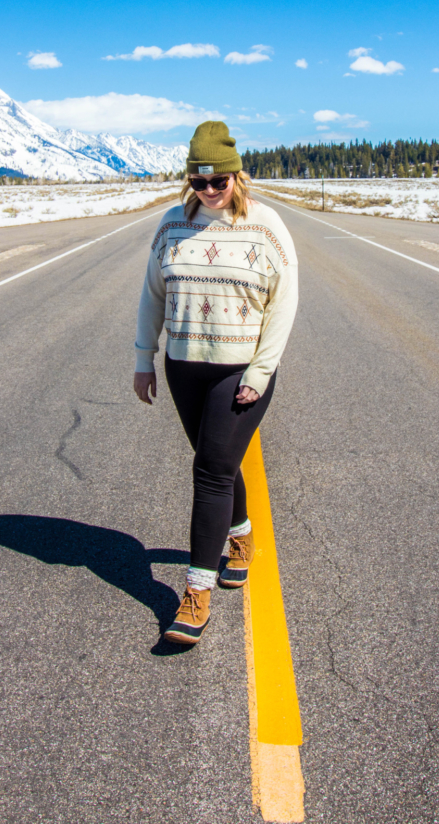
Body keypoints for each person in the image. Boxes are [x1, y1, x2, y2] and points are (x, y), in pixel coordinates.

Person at [133, 121, 298, 644]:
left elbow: (284, 303)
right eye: (199, 182)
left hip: (240, 370)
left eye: (218, 180)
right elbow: (151, 295)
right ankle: (241, 535)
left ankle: (195, 594)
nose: (209, 191)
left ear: (235, 174)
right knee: (218, 463)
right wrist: (144, 358)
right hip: (185, 366)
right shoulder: (170, 226)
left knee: (208, 471)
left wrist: (261, 370)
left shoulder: (265, 226)